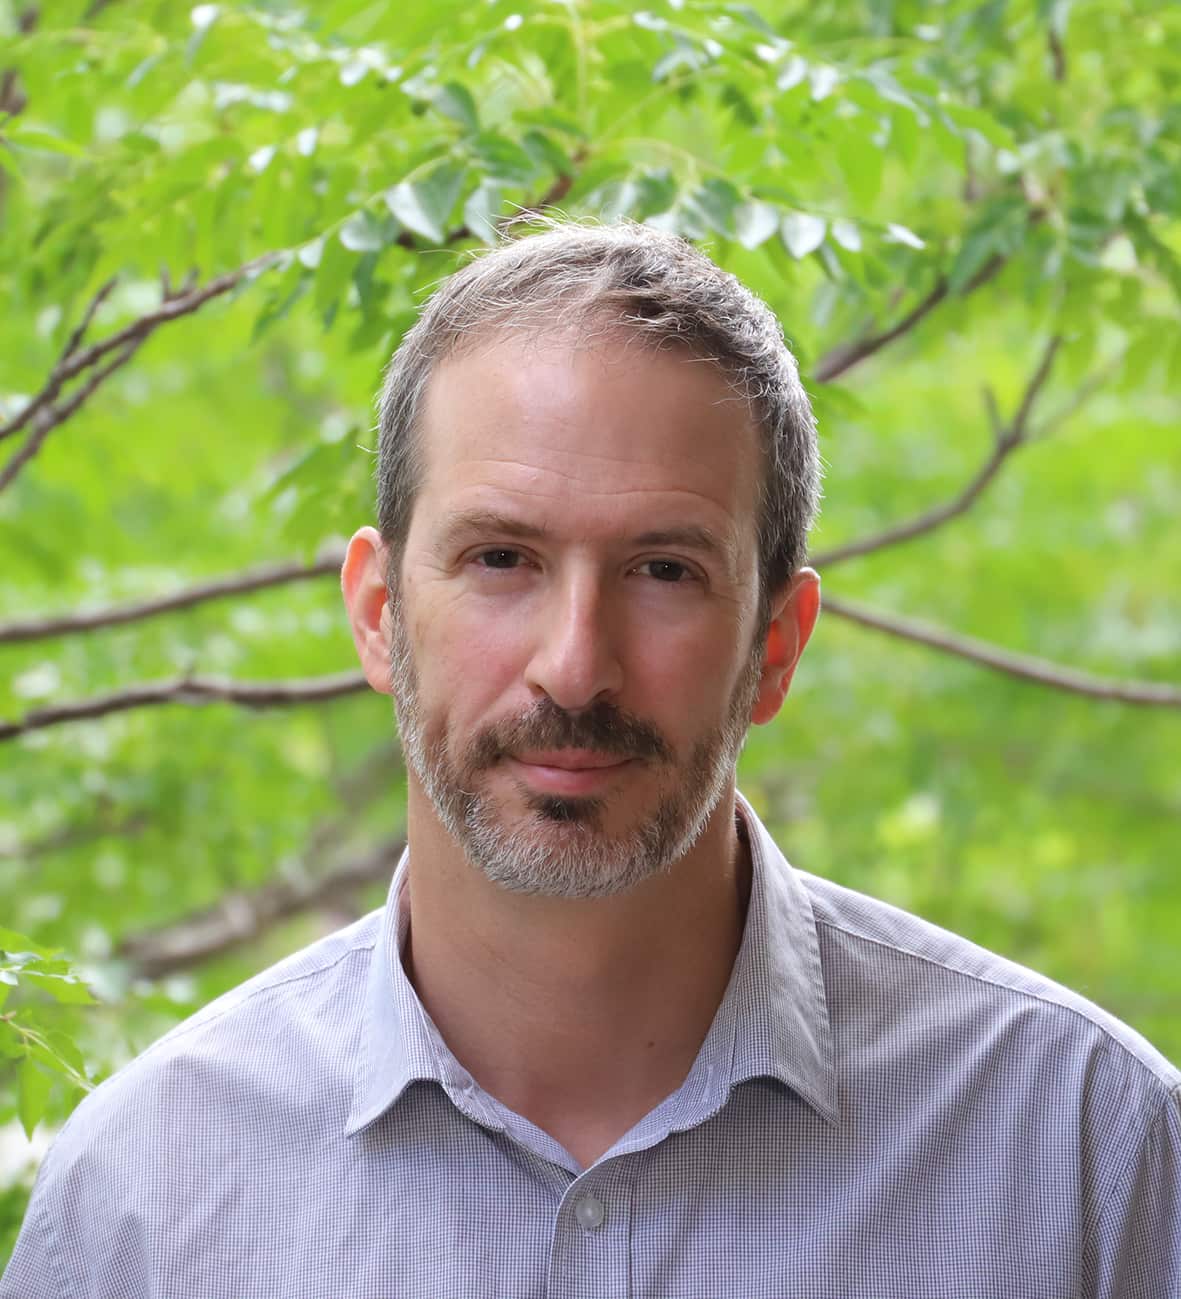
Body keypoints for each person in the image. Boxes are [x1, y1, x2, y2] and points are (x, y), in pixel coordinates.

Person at [3, 221, 1178, 1299]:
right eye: (501, 559)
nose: (574, 668)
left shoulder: (1083, 1152)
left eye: (662, 570)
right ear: (375, 611)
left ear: (775, 645)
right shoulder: (145, 1200)